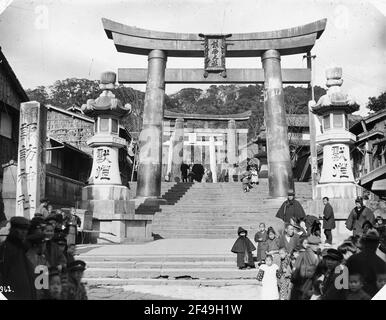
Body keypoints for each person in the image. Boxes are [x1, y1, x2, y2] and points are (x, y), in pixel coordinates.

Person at [0, 217, 36, 300]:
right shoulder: (6, 249)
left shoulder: (21, 248)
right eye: (20, 229)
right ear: (13, 229)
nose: (24, 232)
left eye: (26, 229)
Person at [346, 229, 386, 297]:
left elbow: (343, 282)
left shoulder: (352, 259)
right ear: (377, 244)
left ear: (363, 243)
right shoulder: (381, 263)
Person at [290, 235, 321, 300]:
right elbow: (295, 269)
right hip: (302, 284)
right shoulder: (302, 254)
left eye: (318, 244)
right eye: (315, 245)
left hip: (313, 285)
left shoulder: (318, 256)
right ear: (309, 245)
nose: (317, 246)